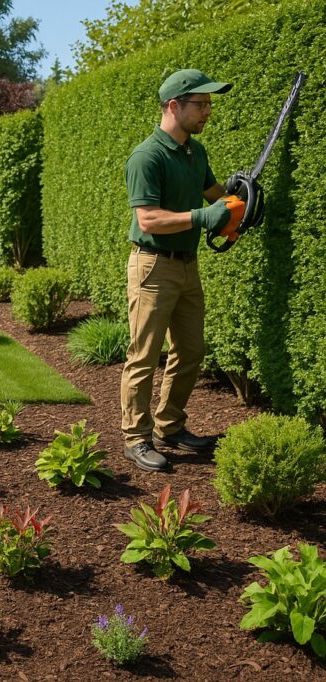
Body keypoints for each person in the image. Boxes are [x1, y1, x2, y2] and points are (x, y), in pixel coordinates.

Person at [120, 69, 235, 472]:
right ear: (174, 106)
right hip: (153, 266)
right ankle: (135, 438)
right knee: (144, 355)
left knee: (191, 351)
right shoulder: (146, 156)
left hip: (188, 266)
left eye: (209, 104)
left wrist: (239, 199)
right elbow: (148, 219)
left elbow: (214, 196)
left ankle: (169, 427)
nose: (208, 112)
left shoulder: (194, 152)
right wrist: (204, 216)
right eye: (201, 104)